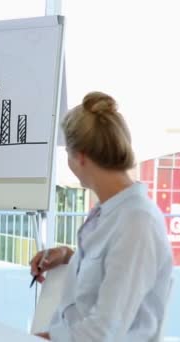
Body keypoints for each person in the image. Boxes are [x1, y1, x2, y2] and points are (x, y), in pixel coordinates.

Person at [30, 92, 173, 341]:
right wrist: (68, 256)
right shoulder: (111, 212)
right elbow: (112, 272)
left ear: (81, 156)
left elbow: (104, 332)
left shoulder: (137, 222)